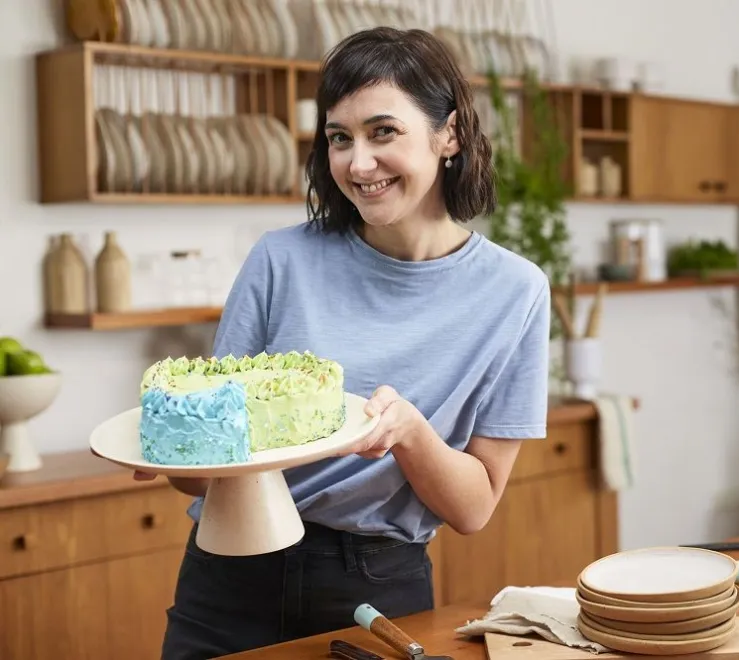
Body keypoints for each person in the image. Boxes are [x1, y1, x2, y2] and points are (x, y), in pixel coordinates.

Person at [146, 26, 552, 660]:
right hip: (229, 569)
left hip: (376, 584)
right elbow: (199, 473)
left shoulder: (515, 291)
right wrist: (172, 450)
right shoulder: (279, 260)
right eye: (340, 138)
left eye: (382, 132)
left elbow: (474, 509)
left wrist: (412, 433)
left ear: (449, 134)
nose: (357, 164)